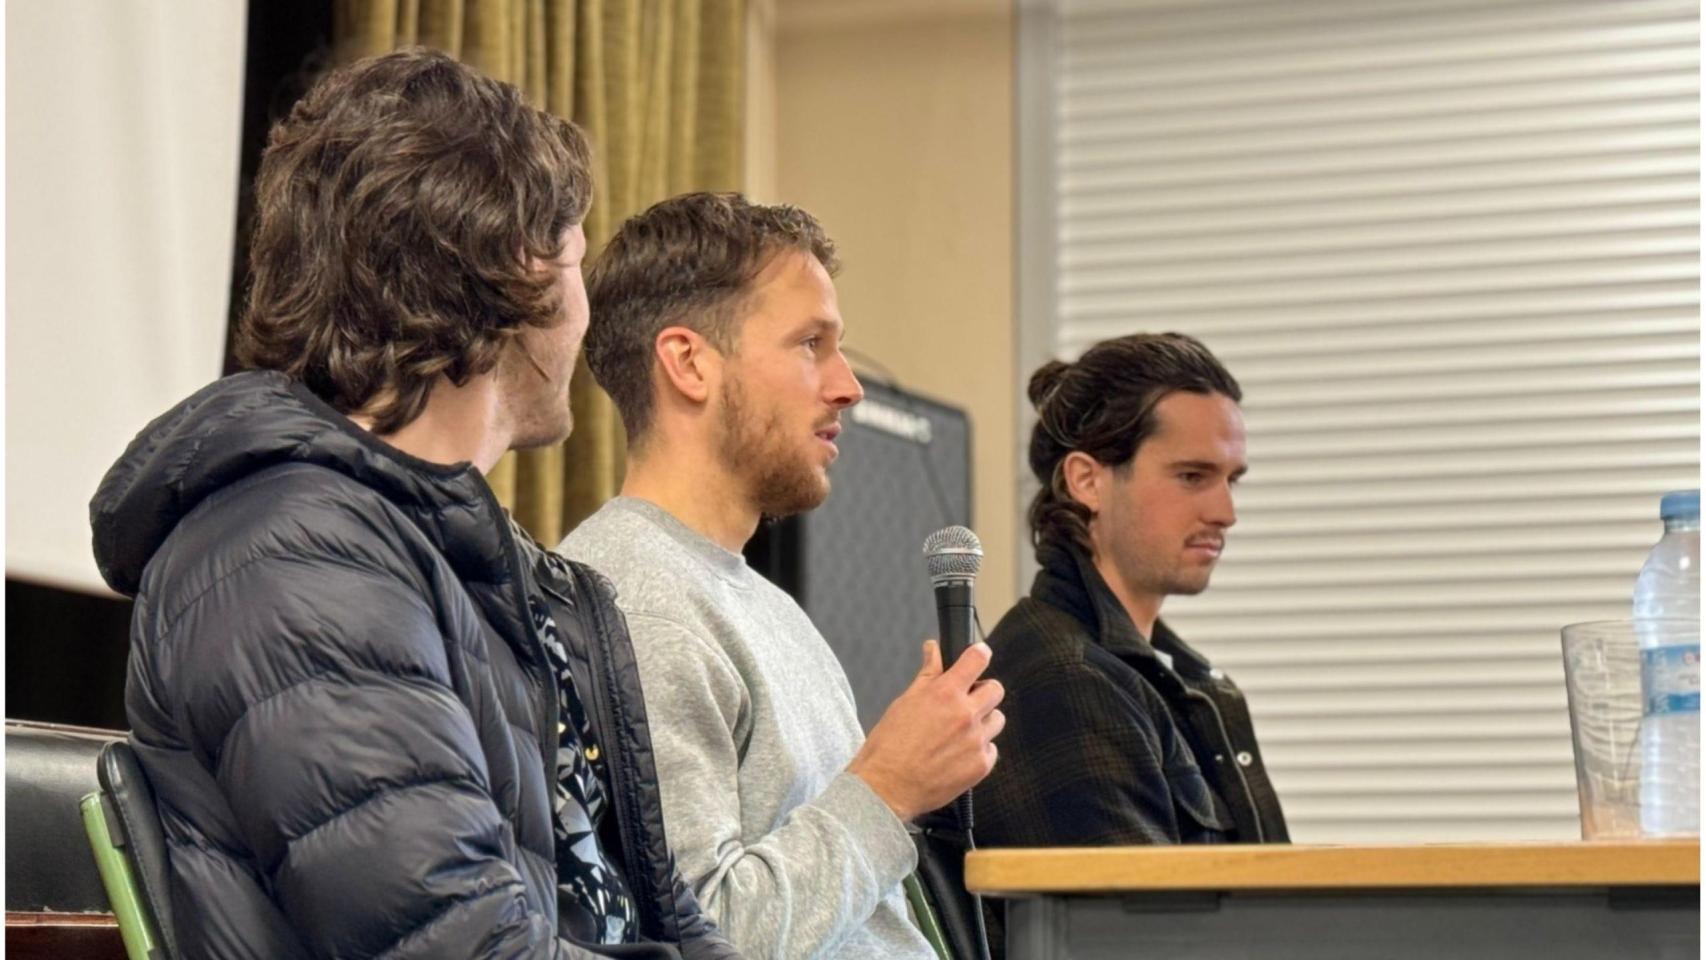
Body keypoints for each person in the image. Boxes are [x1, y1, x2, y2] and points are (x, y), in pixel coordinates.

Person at [89, 49, 735, 960]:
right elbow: (460, 945)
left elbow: (662, 914)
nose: (587, 312)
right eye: (578, 261)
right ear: (518, 269)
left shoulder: (486, 567)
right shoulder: (290, 558)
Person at [559, 192, 1004, 960]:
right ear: (689, 362)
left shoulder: (763, 605)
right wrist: (889, 787)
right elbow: (712, 936)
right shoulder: (632, 599)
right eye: (810, 344)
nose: (848, 387)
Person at [977, 333, 1289, 850]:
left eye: (1232, 481)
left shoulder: (1175, 680)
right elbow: (1144, 930)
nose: (1225, 513)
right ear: (1087, 480)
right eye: (1192, 476)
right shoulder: (1069, 681)